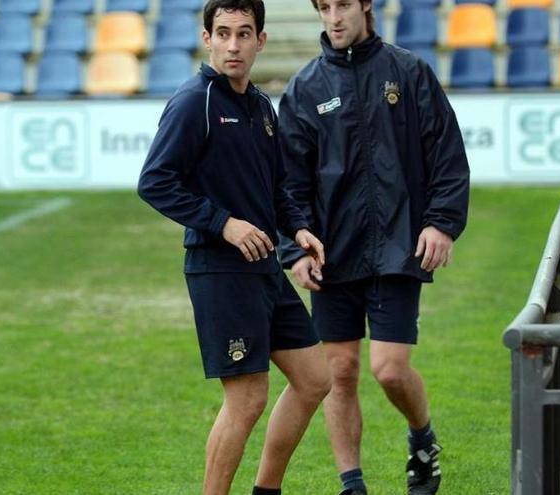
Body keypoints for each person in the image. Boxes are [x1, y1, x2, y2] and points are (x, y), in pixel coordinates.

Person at [137, 1, 331, 494]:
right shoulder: (193, 101)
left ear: (260, 41)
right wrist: (222, 224)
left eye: (244, 34)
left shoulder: (262, 107)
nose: (233, 45)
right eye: (223, 33)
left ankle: (267, 489)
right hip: (220, 270)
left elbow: (275, 188)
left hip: (265, 267)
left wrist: (299, 229)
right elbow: (155, 181)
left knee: (314, 378)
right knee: (246, 399)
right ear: (207, 38)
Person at [277, 1, 470, 494]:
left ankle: (422, 437)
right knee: (338, 372)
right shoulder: (305, 88)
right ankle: (352, 484)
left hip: (398, 247)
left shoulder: (409, 72)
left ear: (365, 7)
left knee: (388, 370)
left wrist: (441, 224)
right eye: (325, 7)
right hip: (332, 255)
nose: (335, 17)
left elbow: (446, 154)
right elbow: (287, 183)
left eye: (344, 5)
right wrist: (294, 250)